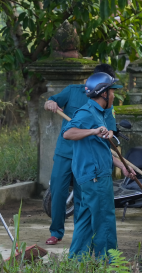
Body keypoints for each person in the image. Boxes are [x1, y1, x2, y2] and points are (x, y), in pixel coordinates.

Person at [42, 64, 120, 246]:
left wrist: (107, 134)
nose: (112, 93)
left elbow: (110, 130)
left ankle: (81, 236)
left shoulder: (107, 105)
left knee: (81, 199)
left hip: (86, 158)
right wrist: (51, 103)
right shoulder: (73, 91)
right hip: (65, 152)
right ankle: (56, 231)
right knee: (58, 192)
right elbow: (50, 103)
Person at [61, 72, 132, 259]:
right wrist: (92, 131)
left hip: (91, 176)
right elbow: (68, 133)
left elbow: (101, 149)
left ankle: (77, 261)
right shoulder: (87, 113)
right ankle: (110, 265)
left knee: (85, 220)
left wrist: (121, 165)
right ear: (103, 93)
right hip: (95, 177)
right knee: (105, 220)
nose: (114, 95)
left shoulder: (99, 114)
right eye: (112, 91)